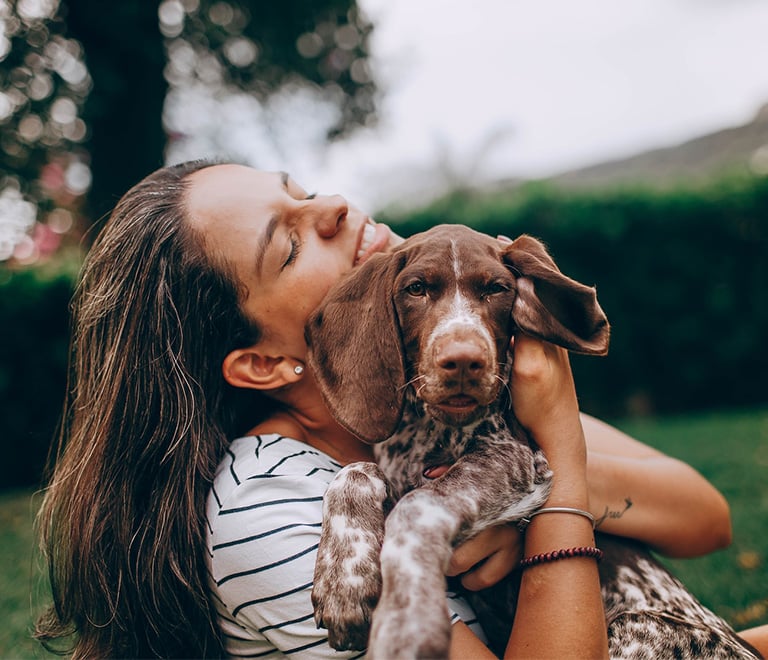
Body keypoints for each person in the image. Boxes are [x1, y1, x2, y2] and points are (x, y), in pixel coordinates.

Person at [34, 159, 757, 658]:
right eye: (287, 244)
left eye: (302, 188)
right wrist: (557, 459)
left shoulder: (455, 398)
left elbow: (705, 519)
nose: (335, 206)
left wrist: (523, 501)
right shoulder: (270, 506)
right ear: (263, 362)